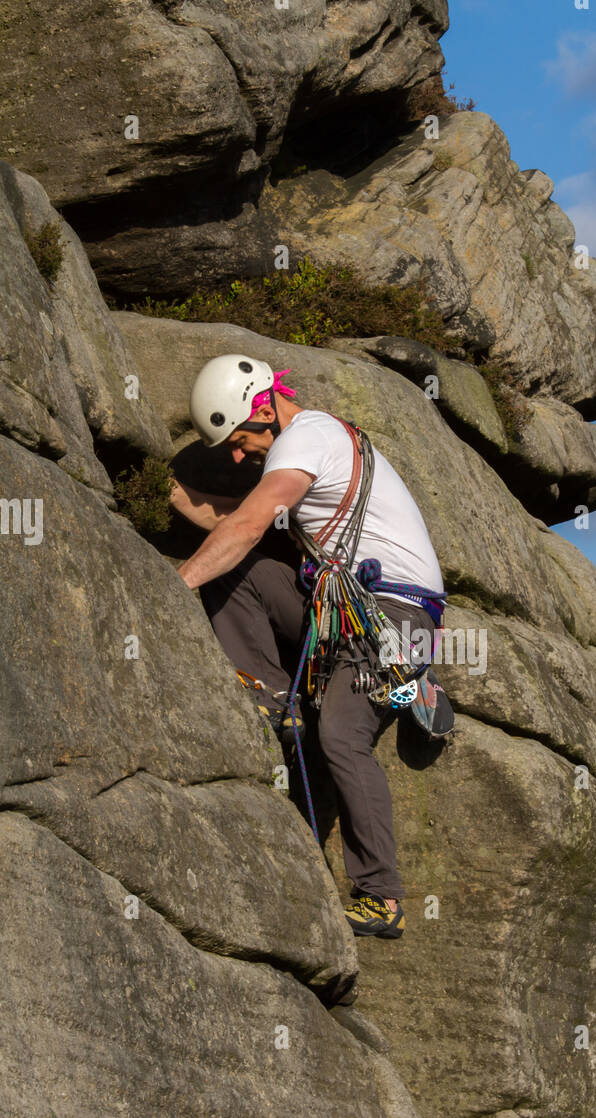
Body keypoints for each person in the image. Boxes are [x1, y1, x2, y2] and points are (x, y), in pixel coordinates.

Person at [170, 354, 445, 941]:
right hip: (348, 612)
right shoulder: (307, 442)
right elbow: (233, 525)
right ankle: (275, 698)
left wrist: (173, 588)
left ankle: (382, 896)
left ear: (264, 407)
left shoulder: (310, 436)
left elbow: (246, 524)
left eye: (241, 440)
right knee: (237, 570)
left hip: (401, 618)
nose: (240, 456)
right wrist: (171, 495)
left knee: (341, 734)